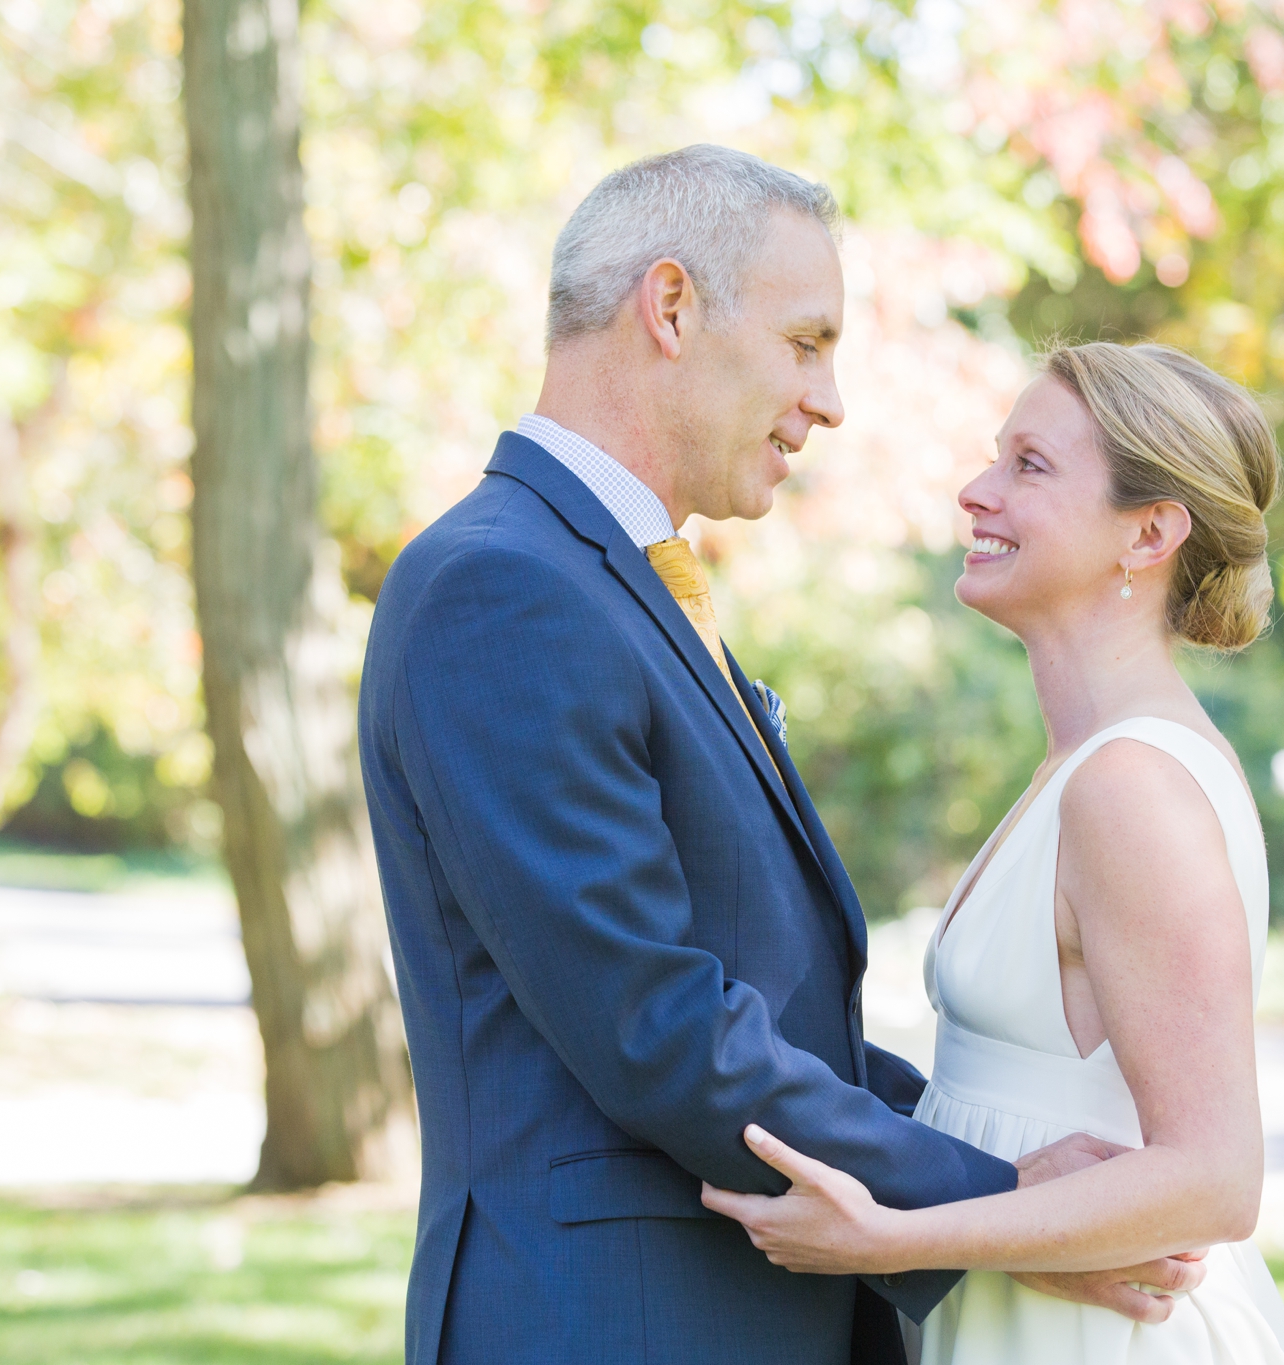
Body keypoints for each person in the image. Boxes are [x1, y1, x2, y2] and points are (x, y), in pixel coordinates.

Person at [358, 145, 1205, 1365]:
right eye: (807, 341)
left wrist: (1010, 1171)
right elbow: (657, 1023)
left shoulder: (611, 582)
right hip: (617, 1324)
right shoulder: (504, 588)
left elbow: (765, 998)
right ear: (670, 308)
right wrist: (996, 1199)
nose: (830, 399)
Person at [702, 341, 1284, 1365]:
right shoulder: (1075, 769)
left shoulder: (1130, 787)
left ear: (1149, 533)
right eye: (995, 458)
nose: (975, 493)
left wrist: (890, 1239)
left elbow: (1214, 1176)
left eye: (1027, 466)